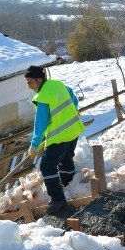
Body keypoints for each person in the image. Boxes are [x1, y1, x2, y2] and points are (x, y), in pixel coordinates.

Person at [25, 65, 85, 215]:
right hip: (74, 130)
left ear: (39, 80)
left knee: (46, 166)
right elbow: (71, 94)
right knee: (65, 158)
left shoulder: (42, 97)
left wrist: (34, 145)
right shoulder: (57, 84)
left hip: (60, 136)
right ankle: (68, 183)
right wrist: (73, 110)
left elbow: (40, 124)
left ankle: (58, 199)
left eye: (30, 82)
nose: (28, 85)